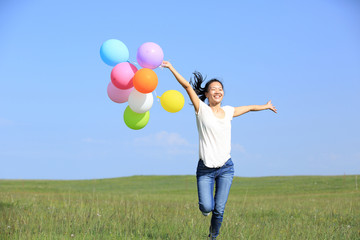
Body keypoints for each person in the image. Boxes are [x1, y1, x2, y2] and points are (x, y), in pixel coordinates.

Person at [162, 60, 277, 239]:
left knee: (219, 209)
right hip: (205, 169)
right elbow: (186, 85)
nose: (218, 91)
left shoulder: (229, 111)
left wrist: (265, 106)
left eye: (220, 88)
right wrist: (170, 67)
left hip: (226, 168)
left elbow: (249, 108)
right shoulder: (201, 110)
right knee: (207, 207)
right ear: (207, 94)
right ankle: (206, 211)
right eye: (214, 89)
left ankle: (212, 237)